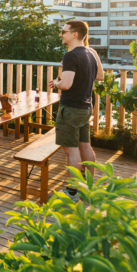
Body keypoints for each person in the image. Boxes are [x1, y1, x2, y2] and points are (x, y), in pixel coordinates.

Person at [48, 20, 104, 202]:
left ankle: (73, 192)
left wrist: (55, 83)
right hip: (86, 106)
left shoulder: (70, 56)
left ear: (74, 34)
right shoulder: (91, 53)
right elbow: (100, 76)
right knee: (85, 145)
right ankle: (87, 186)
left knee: (71, 151)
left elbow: (65, 84)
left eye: (63, 31)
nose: (60, 34)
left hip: (71, 108)